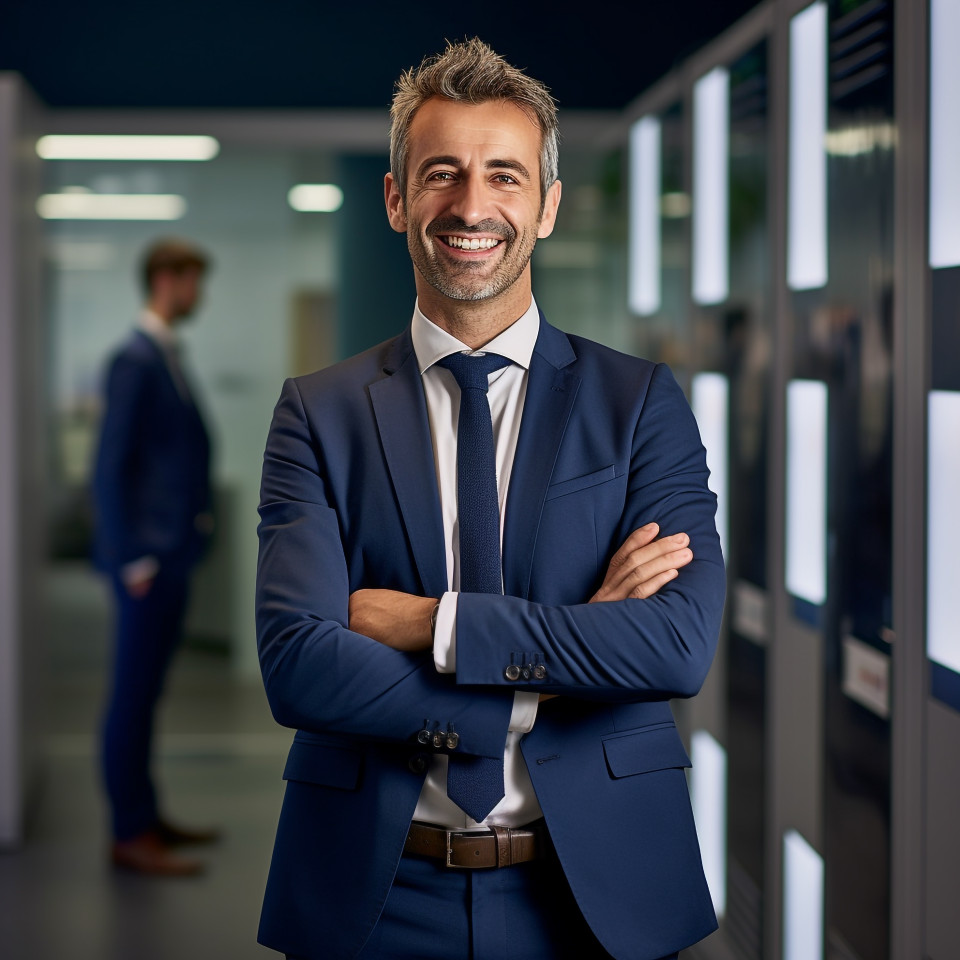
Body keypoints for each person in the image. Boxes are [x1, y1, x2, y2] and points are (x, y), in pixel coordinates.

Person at [255, 39, 725, 960]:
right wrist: (556, 665)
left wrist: (437, 626)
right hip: (375, 891)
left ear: (545, 206)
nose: (472, 206)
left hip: (597, 891)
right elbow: (299, 663)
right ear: (397, 199)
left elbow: (675, 644)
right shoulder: (318, 412)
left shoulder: (638, 404)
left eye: (504, 176)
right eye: (442, 174)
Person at [92, 238, 218, 876]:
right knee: (131, 696)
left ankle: (146, 815)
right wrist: (131, 558)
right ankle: (129, 830)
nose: (200, 295)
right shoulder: (134, 361)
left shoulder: (164, 354)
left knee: (148, 695)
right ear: (167, 280)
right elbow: (109, 469)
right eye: (194, 281)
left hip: (171, 555)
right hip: (147, 564)